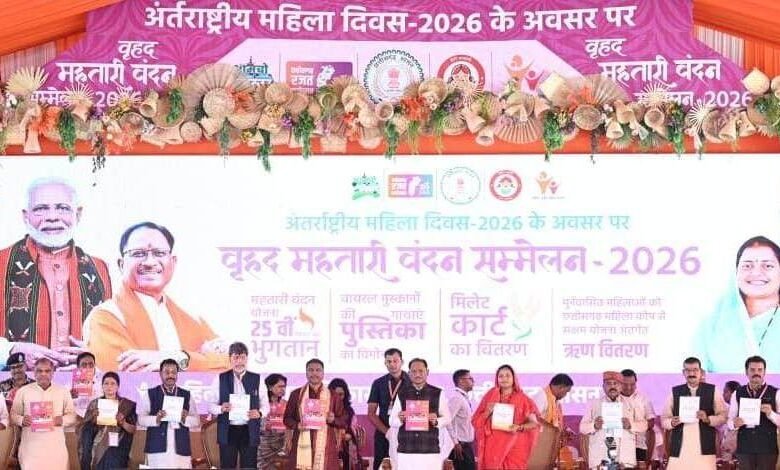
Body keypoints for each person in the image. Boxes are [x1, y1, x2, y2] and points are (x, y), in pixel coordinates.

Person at [84, 222, 229, 372]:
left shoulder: (192, 317)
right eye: (138, 253)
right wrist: (200, 361)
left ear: (173, 262)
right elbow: (129, 376)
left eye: (159, 253)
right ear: (121, 264)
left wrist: (180, 358)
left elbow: (229, 362)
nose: (150, 262)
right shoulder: (105, 317)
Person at [0, 177, 112, 369]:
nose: (52, 217)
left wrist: (97, 354)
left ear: (78, 214)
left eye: (62, 208)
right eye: (41, 209)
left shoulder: (101, 269)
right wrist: (11, 351)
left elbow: (113, 338)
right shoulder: (2, 263)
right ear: (26, 216)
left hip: (83, 383)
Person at [696, 236, 780, 372]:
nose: (756, 273)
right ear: (736, 272)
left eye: (767, 266)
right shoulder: (712, 325)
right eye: (747, 266)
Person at [661, 357, 728, 469]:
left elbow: (723, 416)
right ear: (683, 372)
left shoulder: (712, 390)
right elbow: (664, 420)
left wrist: (708, 419)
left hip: (704, 447)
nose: (691, 373)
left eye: (695, 370)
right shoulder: (675, 392)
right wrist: (672, 422)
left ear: (700, 372)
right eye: (688, 370)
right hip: (680, 447)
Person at [283, 358, 349, 470]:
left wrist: (333, 420)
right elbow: (287, 418)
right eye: (311, 370)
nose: (314, 373)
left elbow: (344, 420)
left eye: (318, 370)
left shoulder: (333, 396)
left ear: (323, 373)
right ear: (306, 373)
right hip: (301, 444)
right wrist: (297, 425)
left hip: (326, 448)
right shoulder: (296, 394)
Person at [11, 357, 75, 470]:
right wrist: (21, 420)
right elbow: (13, 415)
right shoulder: (23, 391)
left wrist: (62, 420)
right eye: (39, 371)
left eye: (47, 371)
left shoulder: (62, 391)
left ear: (53, 372)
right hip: (31, 449)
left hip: (55, 448)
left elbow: (72, 416)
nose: (43, 374)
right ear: (34, 372)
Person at [472, 364, 539, 470]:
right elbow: (476, 421)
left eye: (507, 375)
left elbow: (534, 423)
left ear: (513, 378)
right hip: (492, 447)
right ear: (497, 379)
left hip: (514, 448)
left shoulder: (523, 399)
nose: (504, 379)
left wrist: (519, 427)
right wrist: (487, 412)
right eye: (501, 376)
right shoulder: (490, 396)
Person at [210, 341, 265, 469]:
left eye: (242, 357)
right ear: (230, 359)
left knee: (249, 466)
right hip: (228, 431)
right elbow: (210, 406)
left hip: (249, 430)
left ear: (247, 358)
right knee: (227, 466)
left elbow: (265, 404)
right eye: (236, 357)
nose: (239, 361)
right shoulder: (220, 378)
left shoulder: (257, 379)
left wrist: (259, 413)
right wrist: (221, 408)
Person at [389, 358, 452, 469]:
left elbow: (447, 418)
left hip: (430, 449)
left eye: (421, 371)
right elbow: (392, 421)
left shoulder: (437, 393)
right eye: (414, 371)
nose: (417, 374)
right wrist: (400, 419)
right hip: (406, 449)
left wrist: (436, 421)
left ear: (427, 372)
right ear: (409, 373)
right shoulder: (402, 393)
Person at [138, 358, 199, 468]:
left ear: (177, 374)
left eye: (173, 372)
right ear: (160, 374)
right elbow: (141, 419)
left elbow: (196, 421)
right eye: (167, 372)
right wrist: (156, 419)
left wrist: (184, 418)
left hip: (181, 450)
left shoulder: (186, 394)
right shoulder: (150, 393)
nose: (170, 375)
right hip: (157, 450)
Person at [580, 371, 647, 469]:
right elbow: (582, 428)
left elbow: (644, 425)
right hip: (600, 458)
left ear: (621, 386)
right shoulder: (594, 404)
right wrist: (594, 425)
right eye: (608, 384)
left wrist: (630, 425)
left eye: (615, 383)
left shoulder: (631, 404)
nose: (612, 386)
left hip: (624, 459)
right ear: (603, 386)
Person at [727, 356, 779, 469]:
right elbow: (729, 420)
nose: (756, 373)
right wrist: (734, 424)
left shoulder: (776, 393)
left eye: (760, 370)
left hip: (767, 448)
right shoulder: (737, 393)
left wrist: (771, 414)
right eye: (752, 370)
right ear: (746, 372)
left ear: (764, 372)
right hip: (744, 448)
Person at [79, 372, 137, 469]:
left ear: (118, 386)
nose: (109, 386)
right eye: (106, 383)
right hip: (97, 451)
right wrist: (93, 420)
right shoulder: (94, 404)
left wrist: (123, 423)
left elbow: (133, 429)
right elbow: (84, 429)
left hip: (118, 450)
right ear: (102, 386)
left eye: (113, 383)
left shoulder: (127, 405)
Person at [367, 348, 409, 470]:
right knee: (382, 466)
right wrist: (387, 432)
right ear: (385, 363)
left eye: (395, 361)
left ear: (402, 362)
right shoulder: (378, 383)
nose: (392, 364)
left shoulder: (412, 382)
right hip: (384, 434)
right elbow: (371, 413)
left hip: (407, 435)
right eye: (389, 361)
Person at [531, 373, 575, 464]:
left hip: (546, 444)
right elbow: (533, 419)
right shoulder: (541, 397)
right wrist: (553, 430)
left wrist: (562, 431)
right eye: (566, 392)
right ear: (561, 387)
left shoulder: (555, 400)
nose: (565, 395)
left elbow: (553, 423)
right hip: (537, 445)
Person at [621, 369, 656, 466]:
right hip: (619, 445)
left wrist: (632, 426)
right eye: (625, 384)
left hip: (639, 444)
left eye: (632, 384)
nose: (629, 388)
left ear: (636, 384)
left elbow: (651, 422)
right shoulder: (613, 399)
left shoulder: (643, 399)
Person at [329, 378, 364, 470]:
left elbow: (353, 430)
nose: (338, 397)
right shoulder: (325, 409)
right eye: (335, 394)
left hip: (346, 447)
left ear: (345, 395)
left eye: (341, 394)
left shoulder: (349, 411)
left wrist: (349, 436)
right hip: (328, 446)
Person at [445, 369, 475, 470]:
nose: (473, 381)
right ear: (461, 381)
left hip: (467, 445)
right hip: (460, 446)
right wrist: (455, 442)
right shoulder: (456, 398)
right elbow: (447, 420)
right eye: (470, 378)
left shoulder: (463, 398)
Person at [258, 373, 288, 470]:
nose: (283, 389)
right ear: (270, 387)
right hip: (264, 443)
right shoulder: (260, 405)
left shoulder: (286, 404)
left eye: (284, 386)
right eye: (280, 386)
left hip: (281, 443)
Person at [721, 380, 740, 461]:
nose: (723, 394)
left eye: (725, 391)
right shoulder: (726, 409)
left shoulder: (739, 412)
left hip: (733, 450)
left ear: (734, 394)